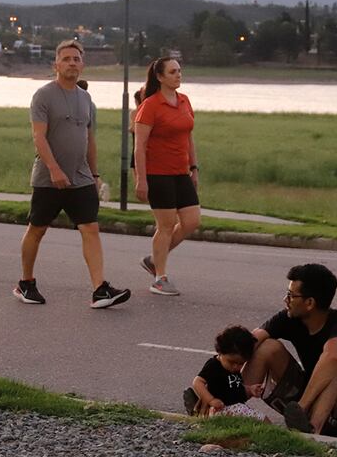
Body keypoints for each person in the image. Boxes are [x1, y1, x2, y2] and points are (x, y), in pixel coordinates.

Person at [13, 39, 131, 309]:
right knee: (37, 229)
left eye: (76, 59)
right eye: (66, 59)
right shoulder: (43, 95)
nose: (72, 63)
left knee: (90, 228)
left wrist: (94, 173)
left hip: (80, 178)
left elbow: (89, 139)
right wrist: (54, 169)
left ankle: (100, 289)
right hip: (48, 178)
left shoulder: (86, 98)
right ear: (56, 64)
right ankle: (25, 283)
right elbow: (38, 137)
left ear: (83, 65)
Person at [242, 263, 337, 437]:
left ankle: (311, 433)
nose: (285, 300)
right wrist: (220, 374)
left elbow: (333, 356)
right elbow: (253, 339)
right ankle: (228, 404)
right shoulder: (289, 317)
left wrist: (301, 406)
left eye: (291, 295)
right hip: (315, 398)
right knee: (266, 347)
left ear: (309, 303)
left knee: (334, 362)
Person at [133, 57, 201, 296]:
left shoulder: (184, 101)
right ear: (160, 77)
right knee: (166, 225)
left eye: (180, 71)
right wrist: (141, 179)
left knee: (192, 221)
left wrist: (194, 168)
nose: (178, 75)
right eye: (173, 72)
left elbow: (189, 136)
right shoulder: (150, 105)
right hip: (157, 173)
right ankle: (160, 278)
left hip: (180, 172)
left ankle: (154, 259)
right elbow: (139, 146)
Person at [183, 325, 269, 421]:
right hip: (223, 408)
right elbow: (197, 382)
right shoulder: (214, 365)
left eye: (241, 363)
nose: (236, 367)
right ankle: (199, 411)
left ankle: (199, 412)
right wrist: (211, 400)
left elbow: (234, 386)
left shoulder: (233, 370)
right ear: (220, 352)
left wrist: (250, 390)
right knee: (262, 419)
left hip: (237, 405)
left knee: (260, 419)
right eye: (231, 362)